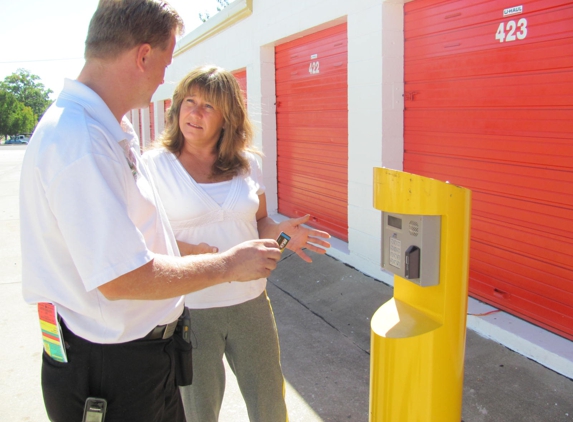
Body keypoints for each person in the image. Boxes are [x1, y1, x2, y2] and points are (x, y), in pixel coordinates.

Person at [19, 2, 283, 422]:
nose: (166, 78)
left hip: (140, 356)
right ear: (144, 56)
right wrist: (229, 263)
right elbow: (123, 277)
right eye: (167, 62)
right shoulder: (80, 143)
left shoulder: (109, 129)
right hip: (110, 369)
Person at [141, 65, 331, 422]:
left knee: (270, 405)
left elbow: (259, 222)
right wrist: (191, 253)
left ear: (228, 117)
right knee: (199, 411)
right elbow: (140, 239)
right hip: (190, 310)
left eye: (208, 106)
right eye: (189, 101)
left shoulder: (246, 164)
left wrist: (285, 234)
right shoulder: (153, 166)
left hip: (251, 303)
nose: (194, 113)